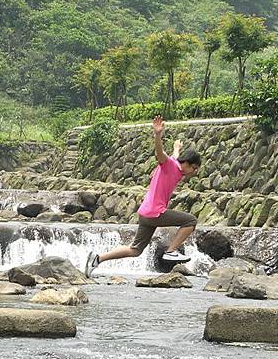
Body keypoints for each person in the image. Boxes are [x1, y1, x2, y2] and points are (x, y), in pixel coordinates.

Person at [84, 115, 202, 277]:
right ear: (187, 163)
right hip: (155, 212)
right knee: (190, 220)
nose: (195, 172)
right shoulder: (169, 166)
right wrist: (158, 134)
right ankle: (171, 251)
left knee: (136, 250)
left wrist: (176, 148)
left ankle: (97, 259)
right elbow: (160, 153)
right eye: (194, 168)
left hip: (145, 213)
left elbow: (175, 157)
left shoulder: (176, 166)